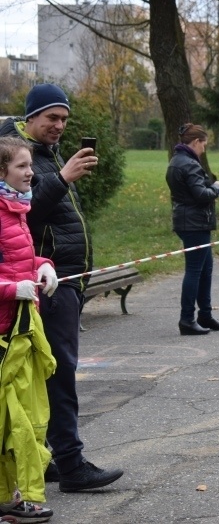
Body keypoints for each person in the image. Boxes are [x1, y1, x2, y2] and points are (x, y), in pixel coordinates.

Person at [0, 83, 124, 492]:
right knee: (59, 374)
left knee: (48, 375)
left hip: (63, 276)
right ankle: (72, 466)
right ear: (31, 116)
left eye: (64, 120)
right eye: (52, 117)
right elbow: (20, 217)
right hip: (47, 285)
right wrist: (63, 178)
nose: (59, 126)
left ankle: (48, 455)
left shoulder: (46, 155)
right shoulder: (16, 156)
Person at [0, 137, 57, 523]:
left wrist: (43, 264)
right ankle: (16, 497)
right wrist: (9, 290)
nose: (30, 172)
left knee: (28, 419)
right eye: (22, 166)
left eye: (30, 165)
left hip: (24, 330)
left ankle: (12, 496)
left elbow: (18, 259)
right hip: (4, 334)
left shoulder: (16, 210)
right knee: (11, 423)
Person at [165, 123, 219, 336]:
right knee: (194, 271)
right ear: (195, 142)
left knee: (205, 269)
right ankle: (187, 319)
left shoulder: (176, 161)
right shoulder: (190, 164)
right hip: (195, 223)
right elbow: (201, 195)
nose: (204, 149)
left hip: (189, 221)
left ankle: (205, 315)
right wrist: (217, 188)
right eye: (204, 144)